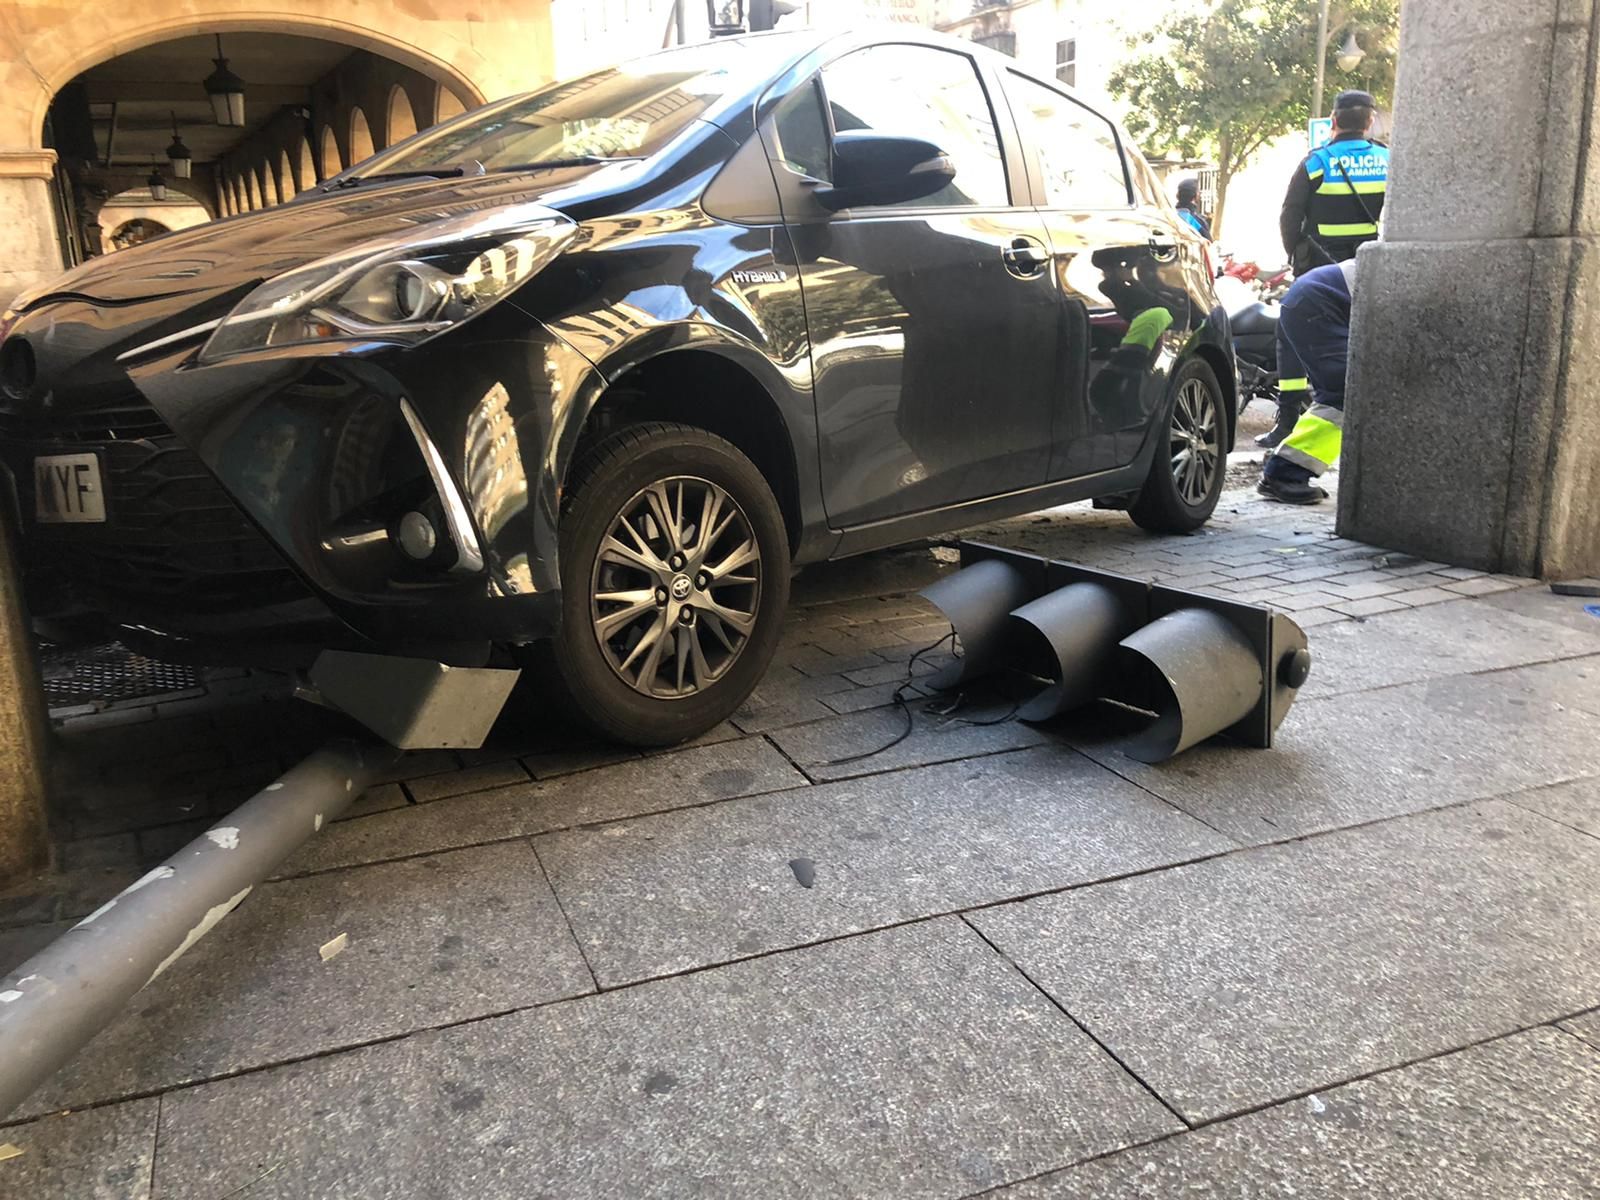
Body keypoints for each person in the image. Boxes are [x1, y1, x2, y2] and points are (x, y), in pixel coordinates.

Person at [1258, 90, 1389, 449]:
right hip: (1371, 270)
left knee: (1290, 335)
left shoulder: (1317, 162)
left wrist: (1295, 256)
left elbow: (1290, 215)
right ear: (1369, 121)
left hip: (1321, 269)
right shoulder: (1388, 159)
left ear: (1333, 121)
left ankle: (1288, 418)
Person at [1257, 259, 1357, 504]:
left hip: (1314, 298)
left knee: (1349, 391)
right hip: (1319, 302)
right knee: (1347, 393)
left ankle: (1284, 462)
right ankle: (1283, 472)